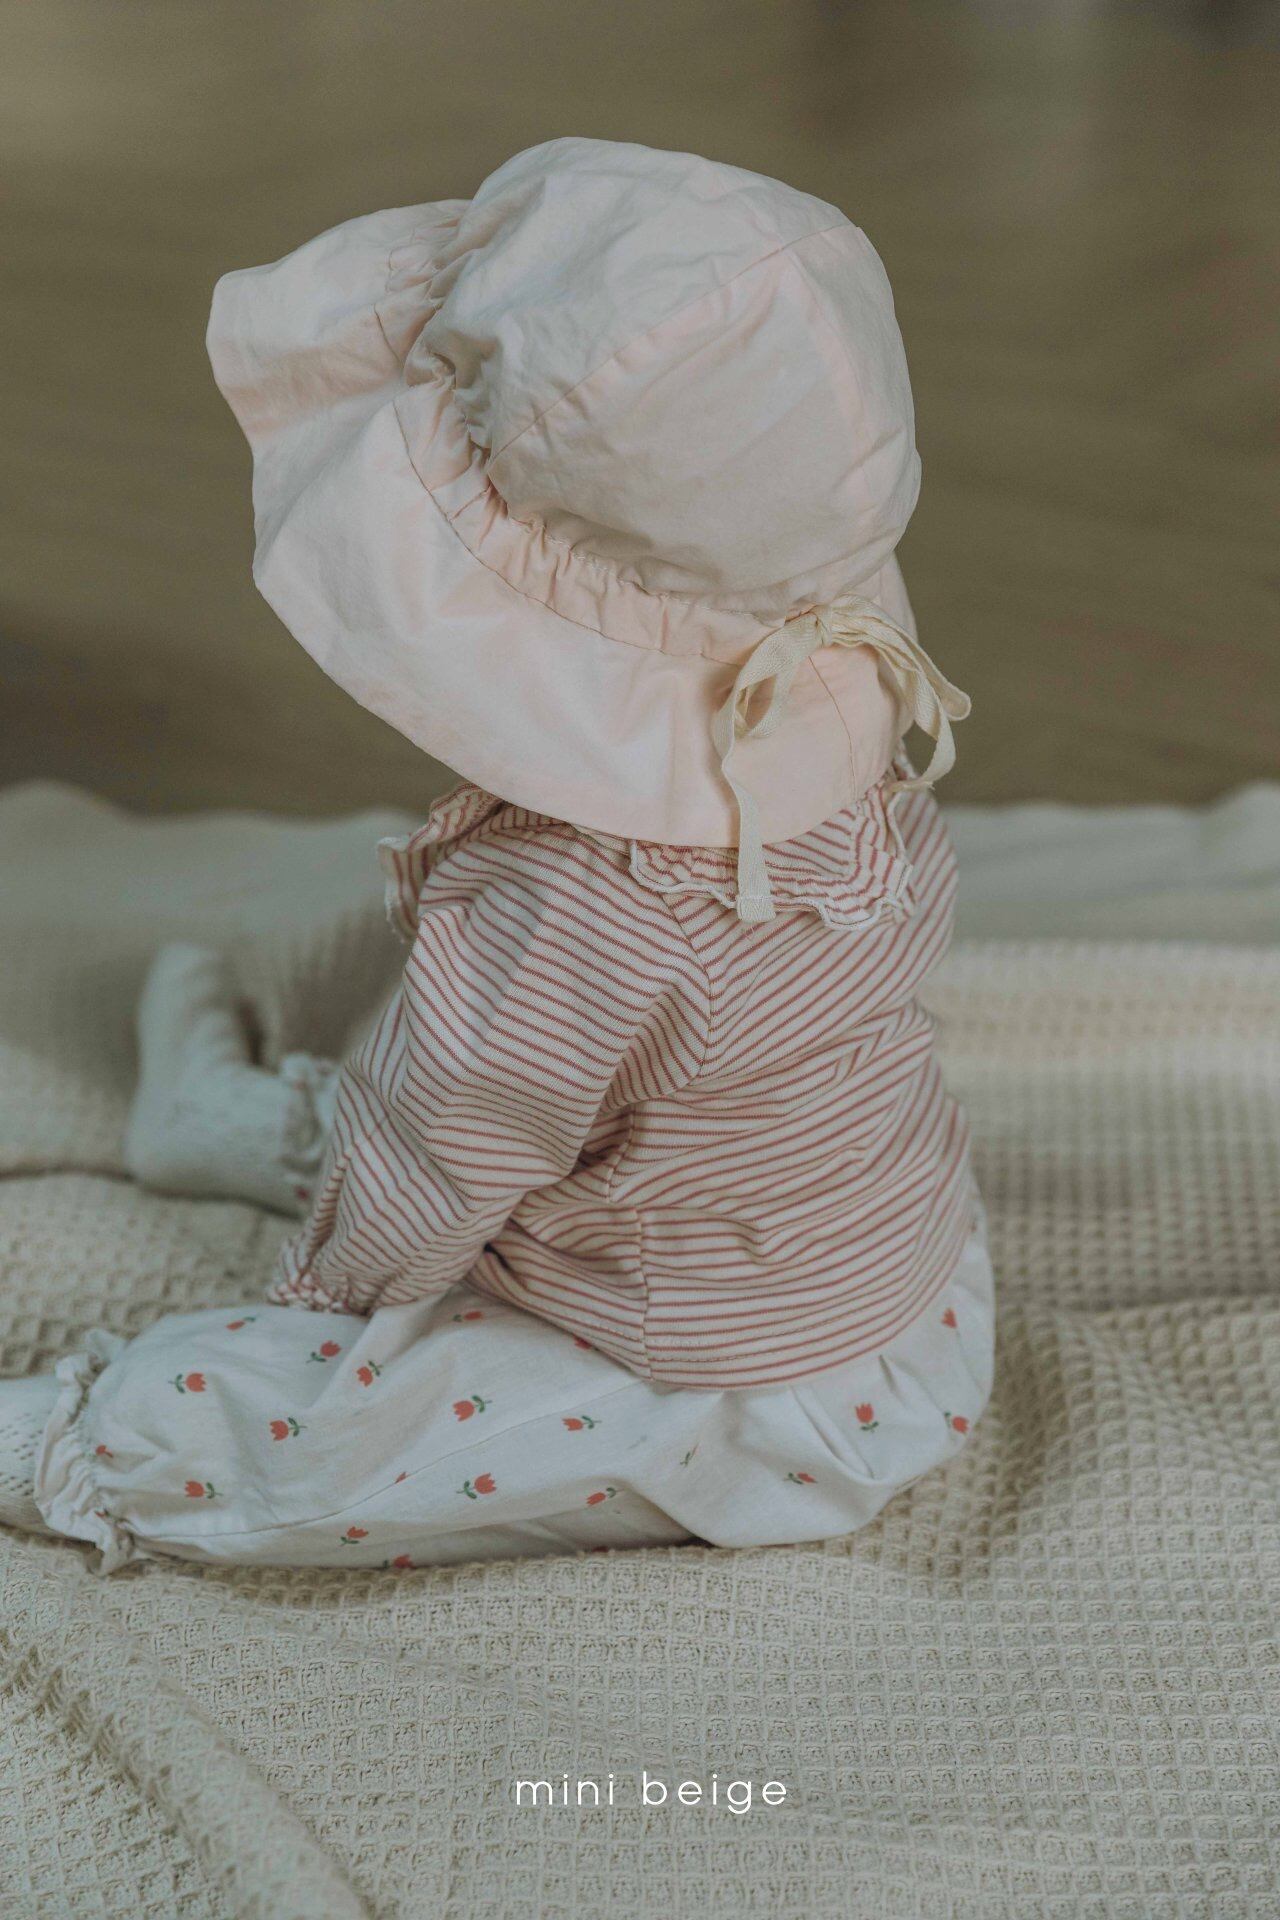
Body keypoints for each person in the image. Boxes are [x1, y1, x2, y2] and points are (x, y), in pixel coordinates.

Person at [0, 137, 990, 1572]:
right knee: (560, 1105)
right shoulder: (851, 695)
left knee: (330, 1424)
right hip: (897, 1268)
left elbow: (443, 1149)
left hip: (733, 1388)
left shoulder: (572, 898)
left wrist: (333, 1304)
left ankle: (72, 1437)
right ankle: (231, 1128)